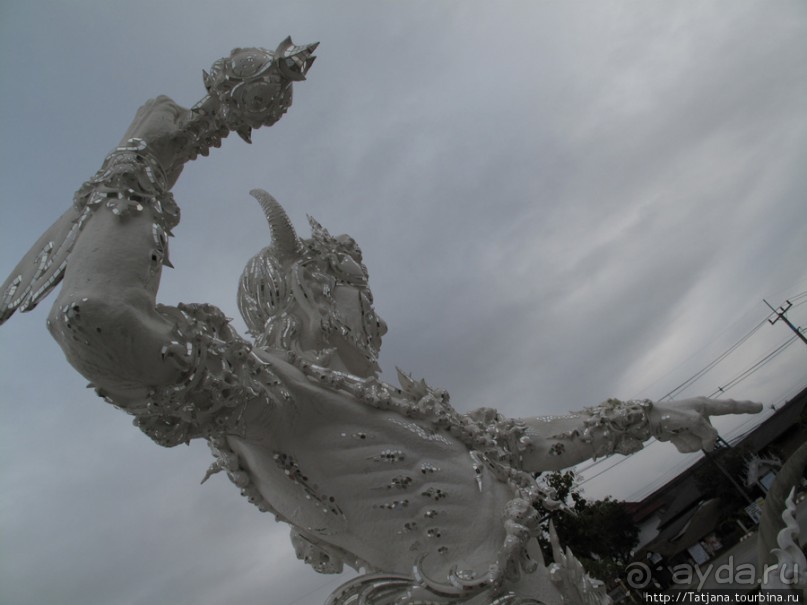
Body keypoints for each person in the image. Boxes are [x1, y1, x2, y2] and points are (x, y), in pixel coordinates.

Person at [0, 45, 761, 605]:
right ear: (306, 294)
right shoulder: (277, 396)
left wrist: (653, 413)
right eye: (356, 288)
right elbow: (96, 319)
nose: (375, 311)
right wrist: (150, 157)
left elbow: (528, 440)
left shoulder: (415, 418)